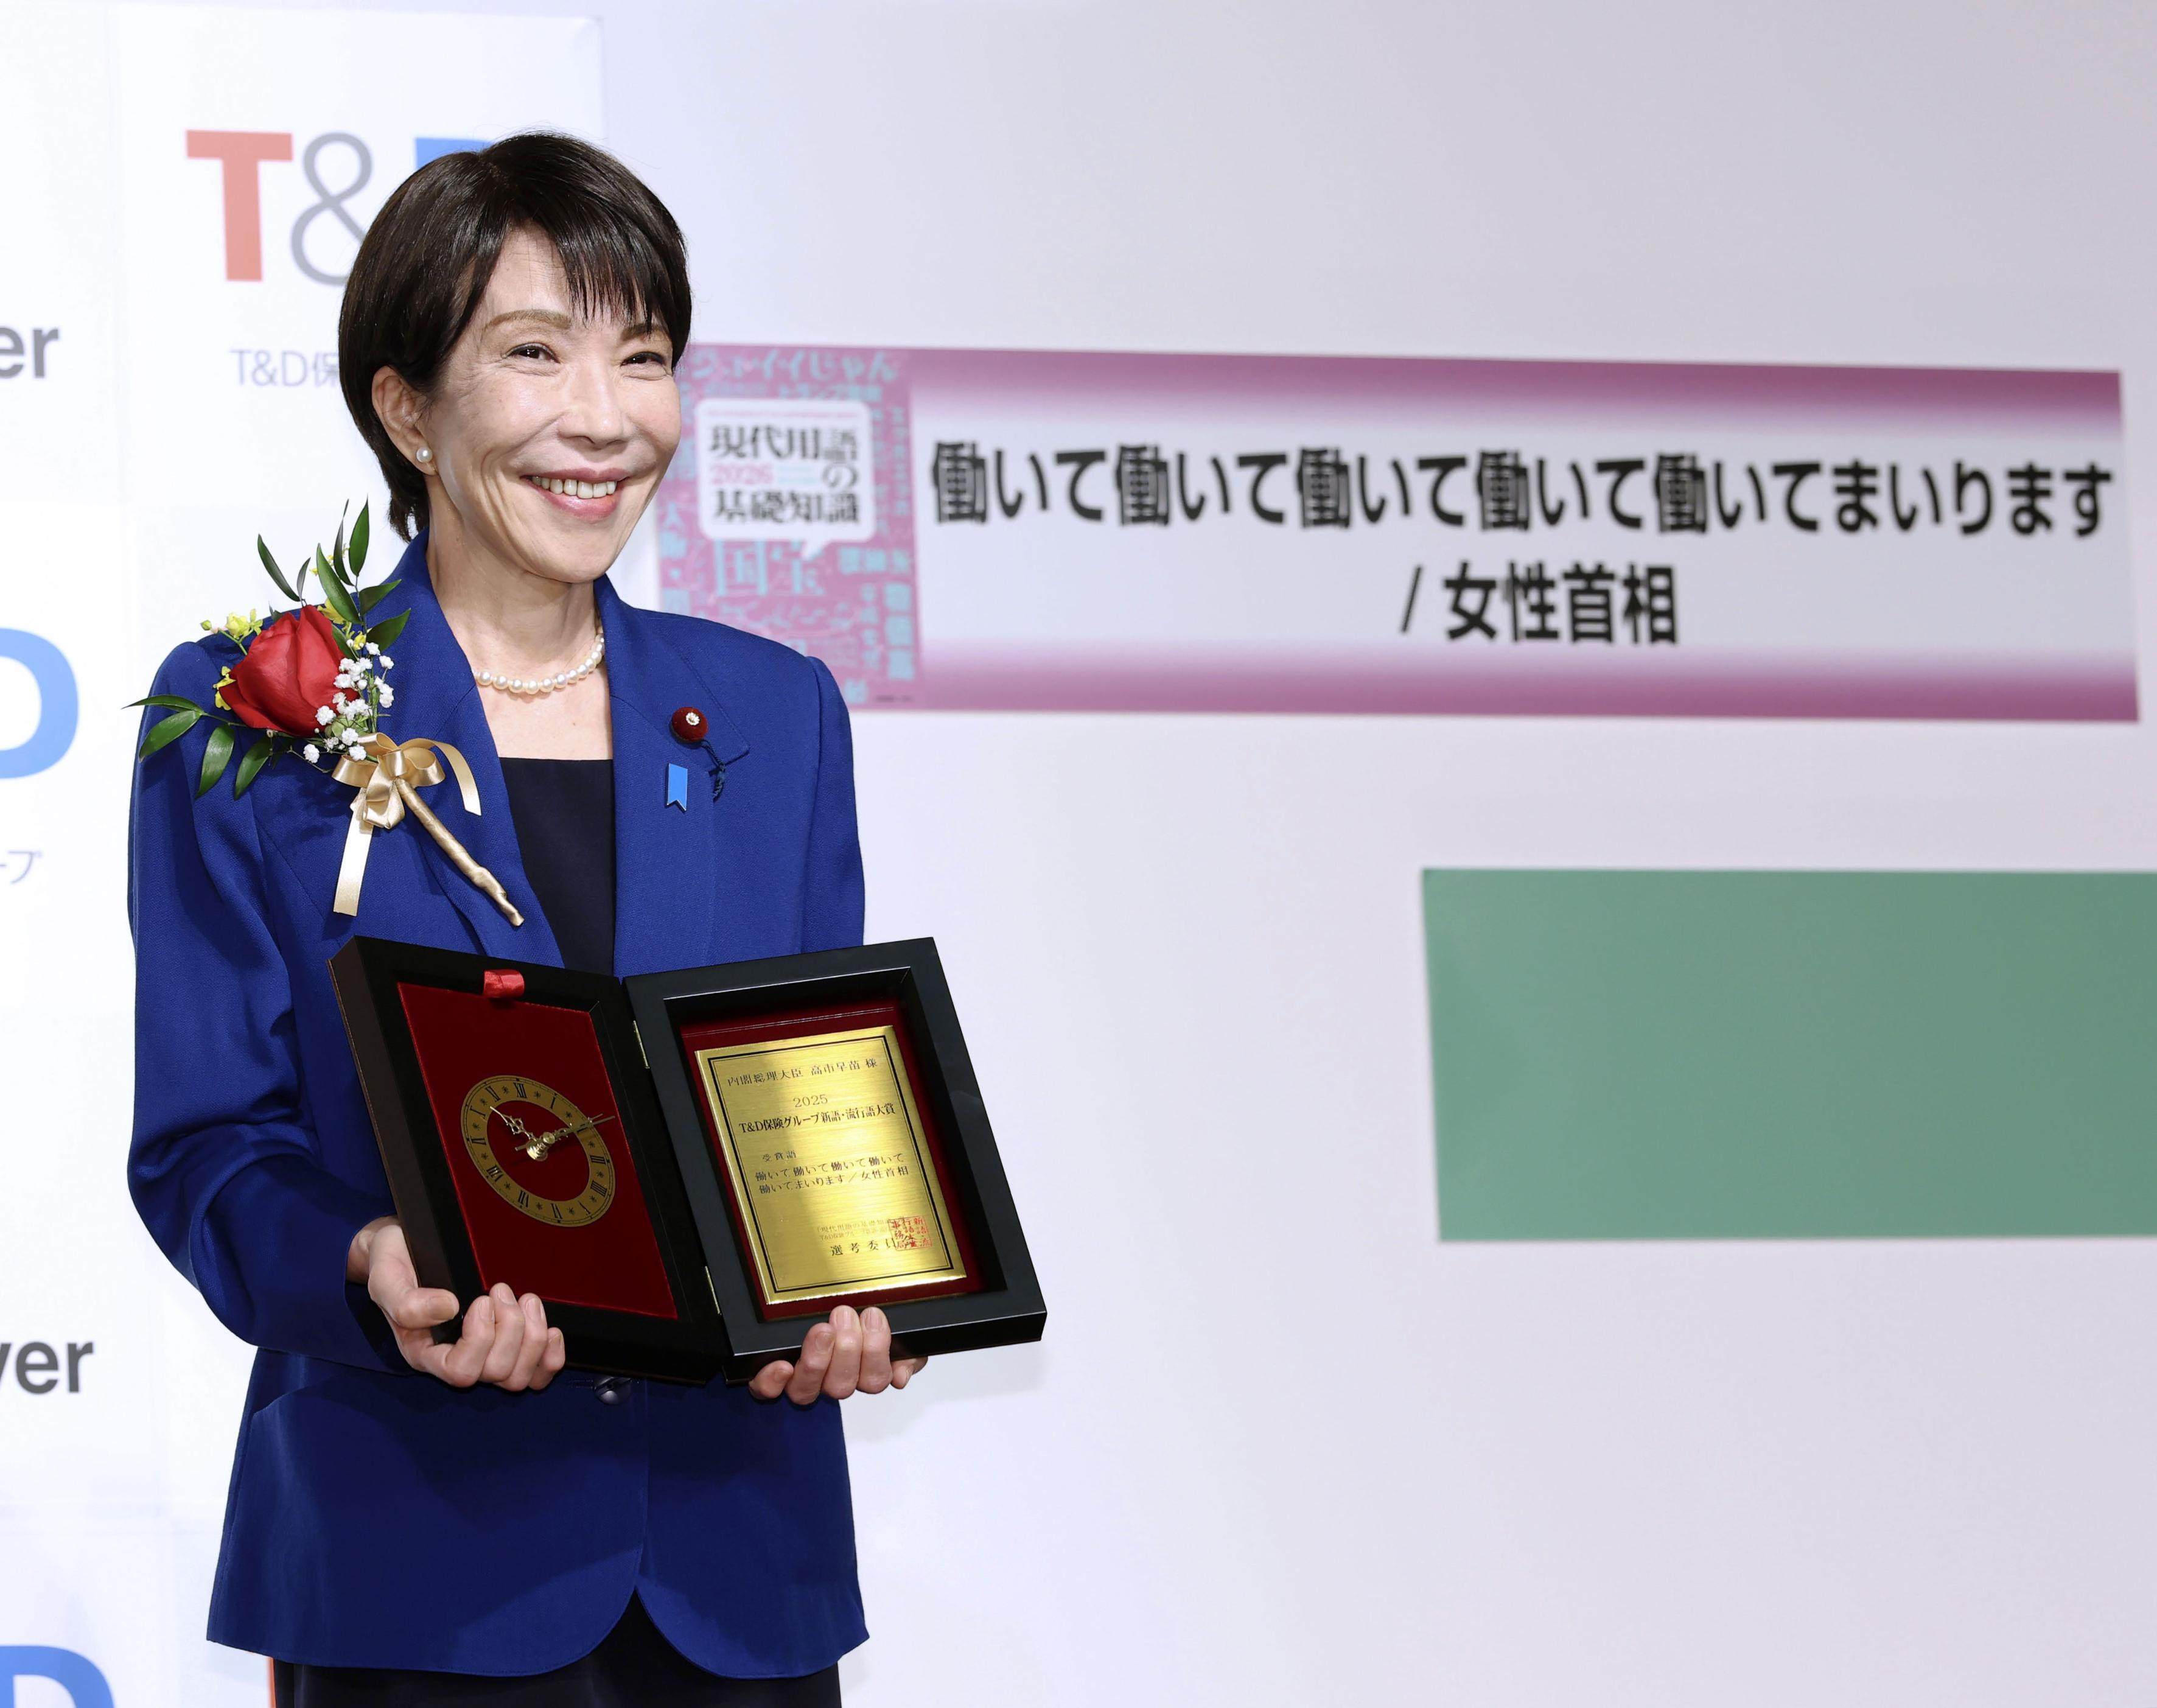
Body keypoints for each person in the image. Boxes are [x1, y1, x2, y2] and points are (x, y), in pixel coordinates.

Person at [127, 133, 917, 1706]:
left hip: (736, 1570)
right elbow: (207, 1145)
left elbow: (812, 1109)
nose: (604, 421)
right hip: (418, 1566)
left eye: (644, 357)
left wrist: (854, 1293)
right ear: (406, 406)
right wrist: (369, 1262)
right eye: (536, 355)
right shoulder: (253, 712)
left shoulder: (776, 711)